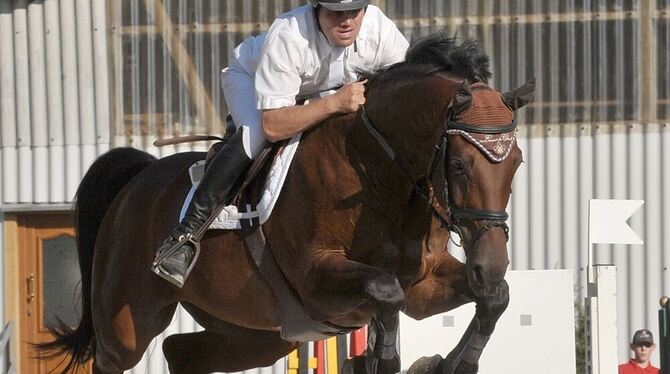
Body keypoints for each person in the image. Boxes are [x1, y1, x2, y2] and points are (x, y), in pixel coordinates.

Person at [151, 0, 409, 287]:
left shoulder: (380, 29)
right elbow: (274, 126)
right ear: (316, 9)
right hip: (252, 82)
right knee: (255, 137)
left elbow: (404, 91)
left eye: (354, 12)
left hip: (314, 92)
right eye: (336, 13)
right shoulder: (289, 34)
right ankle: (183, 238)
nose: (347, 21)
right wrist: (334, 103)